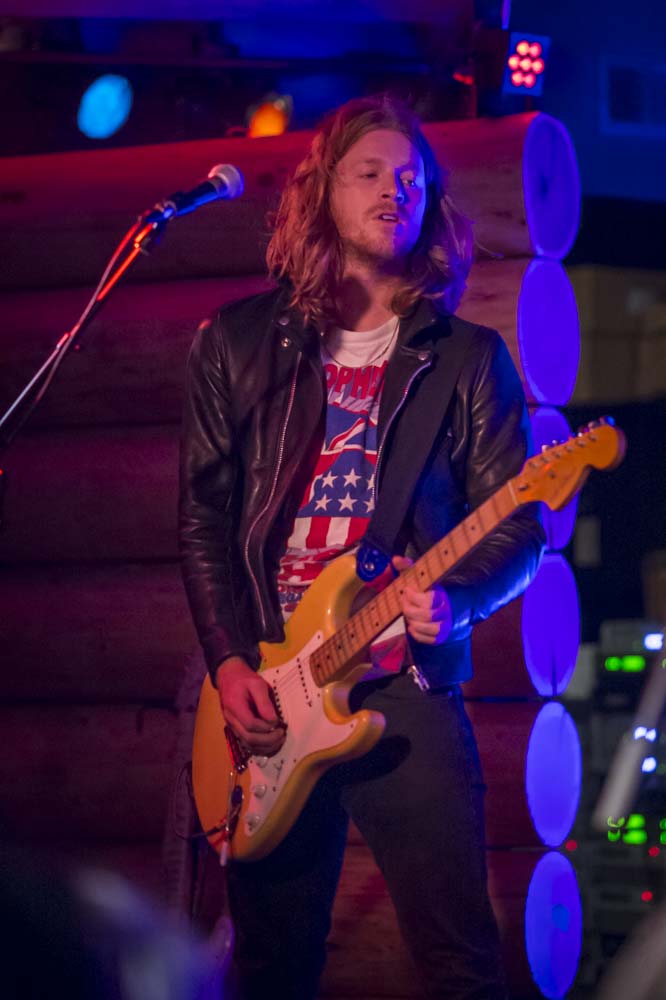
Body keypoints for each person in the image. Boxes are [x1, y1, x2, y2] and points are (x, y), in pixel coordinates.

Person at [178, 94, 545, 1000]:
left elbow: (522, 528)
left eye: (412, 176)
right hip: (269, 689)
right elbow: (204, 520)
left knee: (463, 965)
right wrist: (228, 661)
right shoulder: (237, 342)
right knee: (271, 970)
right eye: (371, 171)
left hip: (405, 685)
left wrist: (458, 602)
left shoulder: (465, 358)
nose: (397, 187)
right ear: (322, 194)